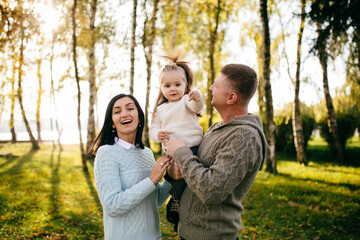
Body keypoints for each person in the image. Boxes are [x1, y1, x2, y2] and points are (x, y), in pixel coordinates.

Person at [166, 64, 271, 240]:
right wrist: (173, 171)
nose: (210, 88)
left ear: (231, 97)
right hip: (188, 233)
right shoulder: (217, 128)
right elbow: (194, 169)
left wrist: (181, 152)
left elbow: (212, 191)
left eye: (216, 85)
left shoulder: (244, 137)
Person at [89, 94, 172, 240]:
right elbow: (112, 206)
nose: (124, 114)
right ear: (112, 123)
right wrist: (152, 180)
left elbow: (156, 200)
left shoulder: (146, 153)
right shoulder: (106, 153)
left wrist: (171, 178)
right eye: (117, 111)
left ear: (139, 118)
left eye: (130, 108)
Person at [149, 55, 204, 232]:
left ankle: (178, 201)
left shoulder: (186, 100)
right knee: (175, 176)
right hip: (172, 151)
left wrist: (198, 96)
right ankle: (177, 202)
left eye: (177, 85)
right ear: (161, 88)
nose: (173, 89)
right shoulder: (161, 109)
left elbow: (197, 107)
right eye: (167, 86)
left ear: (186, 86)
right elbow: (152, 131)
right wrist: (158, 134)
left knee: (191, 179)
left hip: (193, 147)